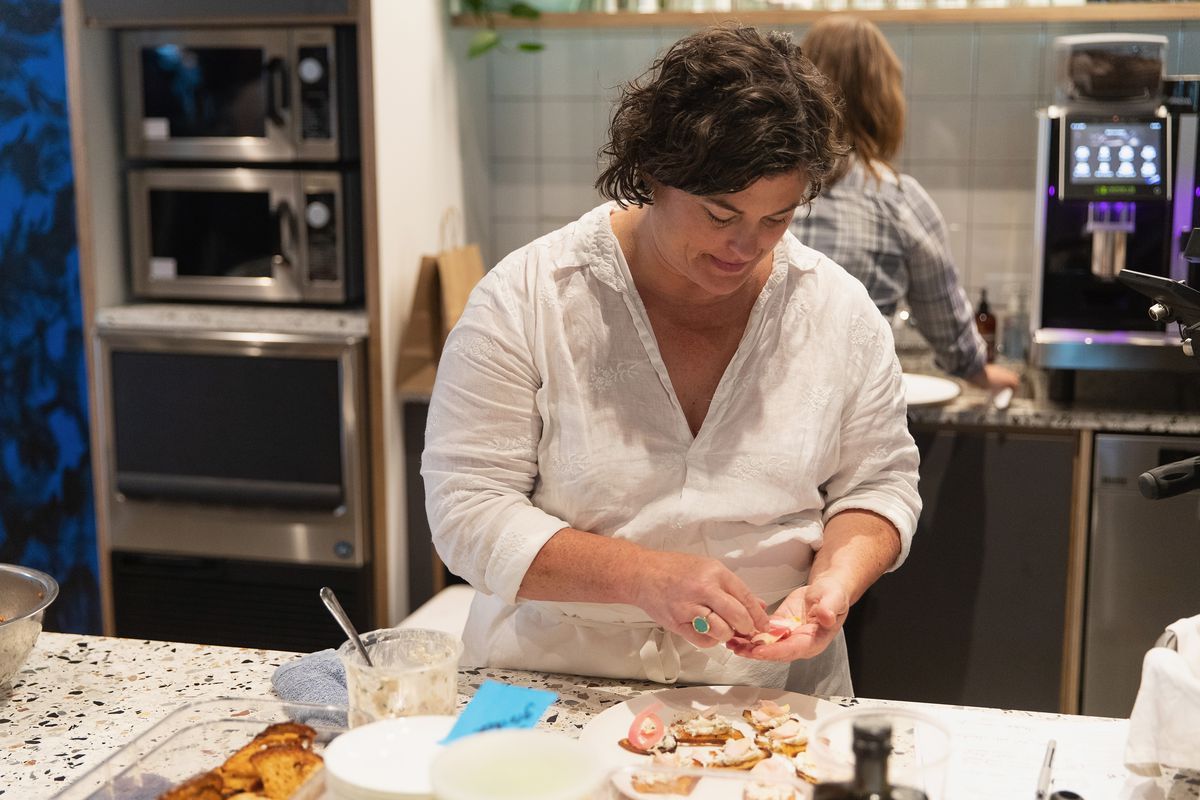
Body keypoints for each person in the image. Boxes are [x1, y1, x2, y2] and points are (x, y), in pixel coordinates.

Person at [422, 24, 921, 694]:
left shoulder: (837, 310)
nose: (746, 247)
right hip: (548, 687)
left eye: (777, 218)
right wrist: (641, 576)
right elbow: (466, 509)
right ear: (653, 174)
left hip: (765, 693)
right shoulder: (528, 297)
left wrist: (836, 580)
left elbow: (879, 485)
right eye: (721, 215)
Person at [790, 15, 1021, 394]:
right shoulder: (896, 199)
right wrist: (976, 370)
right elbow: (945, 321)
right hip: (853, 403)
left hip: (767, 402)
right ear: (883, 100)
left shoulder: (770, 184)